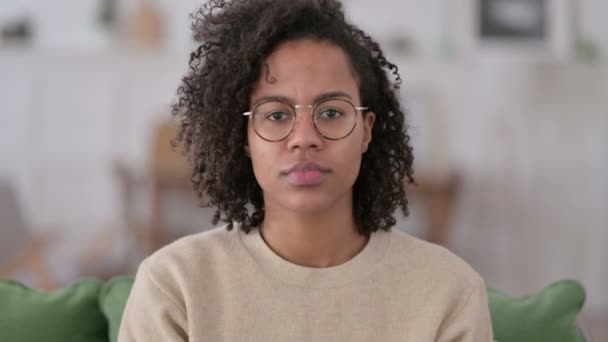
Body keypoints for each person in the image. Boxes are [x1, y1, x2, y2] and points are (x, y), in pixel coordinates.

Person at [118, 0, 494, 341]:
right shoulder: (175, 286)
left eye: (331, 113)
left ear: (366, 131)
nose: (304, 138)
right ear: (245, 137)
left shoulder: (449, 291)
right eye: (277, 115)